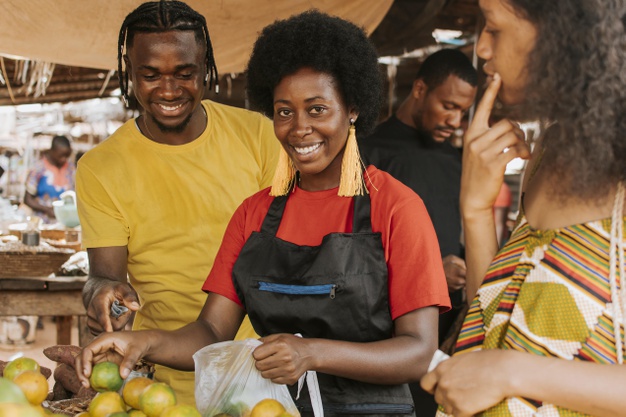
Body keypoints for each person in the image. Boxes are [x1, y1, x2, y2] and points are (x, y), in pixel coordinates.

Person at [76, 10, 450, 416]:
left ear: (353, 109)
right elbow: (211, 332)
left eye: (318, 109)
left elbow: (417, 350)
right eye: (284, 111)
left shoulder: (396, 207)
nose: (299, 128)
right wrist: (144, 342)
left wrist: (311, 353)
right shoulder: (254, 213)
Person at [421, 0, 626, 416]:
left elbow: (503, 364)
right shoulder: (551, 149)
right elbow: (491, 318)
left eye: (494, 28)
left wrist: (514, 372)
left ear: (564, 34)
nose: (481, 48)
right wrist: (475, 208)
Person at [75, 1, 279, 405]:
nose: (169, 91)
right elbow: (103, 276)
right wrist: (103, 292)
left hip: (264, 368)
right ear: (129, 73)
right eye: (150, 75)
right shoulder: (100, 168)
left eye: (184, 73)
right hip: (160, 378)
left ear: (206, 69)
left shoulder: (259, 138)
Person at [359, 49, 477, 416]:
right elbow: (349, 253)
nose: (455, 121)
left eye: (462, 111)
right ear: (421, 89)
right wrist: (427, 278)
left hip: (445, 339)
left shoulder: (457, 162)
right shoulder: (368, 151)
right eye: (448, 105)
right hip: (385, 338)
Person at [24, 134, 75, 222]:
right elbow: (27, 199)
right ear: (52, 151)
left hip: (65, 221)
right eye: (61, 155)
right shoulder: (38, 168)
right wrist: (47, 209)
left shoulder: (71, 169)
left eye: (67, 156)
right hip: (42, 222)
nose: (64, 159)